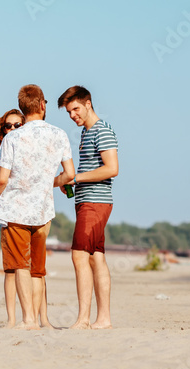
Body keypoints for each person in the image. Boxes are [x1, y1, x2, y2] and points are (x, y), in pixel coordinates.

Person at [0, 85, 75, 330]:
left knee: (20, 266)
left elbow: (2, 178)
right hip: (43, 211)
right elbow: (69, 174)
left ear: (24, 108)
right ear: (42, 105)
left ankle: (27, 320)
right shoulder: (59, 134)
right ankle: (39, 320)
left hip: (16, 210)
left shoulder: (12, 138)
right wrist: (50, 183)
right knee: (38, 269)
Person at [57, 86, 119, 329]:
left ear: (88, 103)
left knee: (79, 255)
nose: (73, 115)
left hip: (95, 202)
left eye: (75, 109)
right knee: (96, 257)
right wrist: (72, 181)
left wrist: (76, 178)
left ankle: (83, 319)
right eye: (69, 112)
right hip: (87, 201)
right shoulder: (87, 132)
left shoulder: (102, 130)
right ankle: (103, 319)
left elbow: (112, 168)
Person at [0, 108, 52, 328]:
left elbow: (1, 181)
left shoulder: (31, 144)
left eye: (18, 125)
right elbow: (0, 178)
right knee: (12, 268)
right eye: (9, 125)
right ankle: (12, 319)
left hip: (37, 211)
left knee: (36, 269)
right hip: (14, 212)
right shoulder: (5, 148)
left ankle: (40, 318)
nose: (13, 128)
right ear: (3, 129)